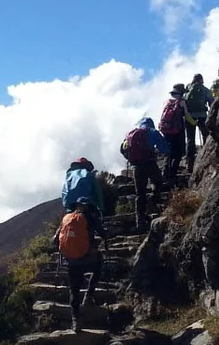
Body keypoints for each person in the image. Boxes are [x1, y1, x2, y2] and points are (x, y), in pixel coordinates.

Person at [53, 197, 107, 332]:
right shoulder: (90, 217)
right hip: (88, 259)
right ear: (87, 206)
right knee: (99, 264)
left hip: (71, 261)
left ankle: (75, 321)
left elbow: (55, 240)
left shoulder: (67, 218)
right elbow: (103, 233)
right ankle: (89, 296)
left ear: (76, 206)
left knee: (74, 289)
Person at [120, 117, 170, 230]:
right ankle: (154, 198)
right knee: (158, 181)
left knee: (140, 194)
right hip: (150, 163)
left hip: (137, 166)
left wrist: (131, 158)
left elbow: (122, 149)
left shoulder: (131, 134)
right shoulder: (153, 132)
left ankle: (140, 222)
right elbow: (165, 148)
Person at [158, 83, 195, 186]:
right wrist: (194, 123)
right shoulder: (181, 102)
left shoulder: (166, 102)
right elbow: (187, 116)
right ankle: (172, 175)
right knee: (178, 154)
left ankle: (165, 173)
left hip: (166, 130)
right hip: (177, 131)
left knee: (168, 152)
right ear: (182, 92)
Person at [184, 73, 216, 173]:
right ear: (201, 80)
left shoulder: (188, 88)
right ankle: (206, 157)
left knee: (190, 139)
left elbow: (184, 100)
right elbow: (211, 101)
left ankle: (190, 164)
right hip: (202, 115)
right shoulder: (205, 89)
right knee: (205, 135)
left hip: (189, 117)